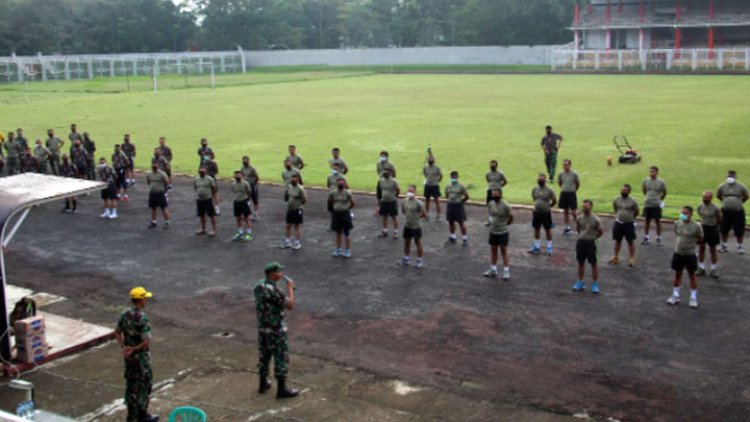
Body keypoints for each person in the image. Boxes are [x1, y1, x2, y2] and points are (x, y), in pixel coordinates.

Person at [254, 262, 299, 400]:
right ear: (273, 274)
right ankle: (282, 389)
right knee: (280, 357)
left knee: (264, 355)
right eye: (279, 272)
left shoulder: (259, 286)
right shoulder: (274, 291)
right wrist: (290, 288)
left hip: (263, 327)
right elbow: (290, 305)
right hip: (276, 329)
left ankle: (263, 384)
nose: (282, 274)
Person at [115, 286, 159, 422]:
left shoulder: (124, 315)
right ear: (140, 300)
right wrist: (134, 348)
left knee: (131, 386)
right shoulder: (142, 318)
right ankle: (142, 415)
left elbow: (117, 332)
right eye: (145, 298)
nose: (146, 300)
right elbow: (146, 342)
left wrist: (125, 347)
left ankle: (132, 416)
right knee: (145, 386)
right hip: (141, 359)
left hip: (129, 359)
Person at [667, 206, 704, 309]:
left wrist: (691, 245)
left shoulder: (696, 226)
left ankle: (693, 298)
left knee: (692, 275)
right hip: (678, 253)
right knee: (677, 274)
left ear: (691, 214)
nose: (683, 215)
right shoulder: (677, 224)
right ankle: (675, 295)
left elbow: (700, 239)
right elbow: (677, 234)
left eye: (685, 213)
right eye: (682, 213)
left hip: (690, 254)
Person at [572, 200, 604, 293]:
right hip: (581, 242)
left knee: (593, 264)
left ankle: (595, 284)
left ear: (591, 207)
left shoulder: (596, 219)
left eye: (586, 206)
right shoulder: (579, 218)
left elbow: (601, 232)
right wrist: (583, 236)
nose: (584, 208)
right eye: (583, 206)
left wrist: (593, 238)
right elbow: (578, 228)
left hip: (591, 243)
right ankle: (580, 282)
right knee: (580, 263)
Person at [717, 170, 748, 254]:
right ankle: (724, 245)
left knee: (739, 229)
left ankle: (740, 246)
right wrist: (726, 202)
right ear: (726, 177)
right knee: (724, 229)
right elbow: (718, 195)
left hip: (738, 212)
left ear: (735, 177)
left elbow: (746, 196)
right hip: (726, 212)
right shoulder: (722, 186)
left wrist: (738, 203)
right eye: (729, 176)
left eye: (732, 176)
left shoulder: (741, 186)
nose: (730, 178)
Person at [484, 189, 513, 279]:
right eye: (493, 194)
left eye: (496, 194)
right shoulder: (491, 204)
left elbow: (511, 217)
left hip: (503, 232)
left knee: (503, 251)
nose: (494, 196)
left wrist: (505, 224)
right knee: (493, 250)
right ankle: (493, 270)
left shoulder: (505, 205)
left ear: (500, 194)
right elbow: (491, 215)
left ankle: (506, 272)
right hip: (493, 231)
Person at [610, 184, 640, 267]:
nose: (623, 191)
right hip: (618, 223)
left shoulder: (633, 201)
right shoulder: (616, 199)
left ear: (629, 191)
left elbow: (637, 211)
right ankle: (616, 256)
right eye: (622, 190)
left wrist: (632, 218)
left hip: (629, 223)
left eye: (625, 190)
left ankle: (632, 258)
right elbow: (615, 208)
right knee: (617, 240)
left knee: (630, 241)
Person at [399, 185, 427, 268]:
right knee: (406, 242)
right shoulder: (404, 201)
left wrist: (417, 217)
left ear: (415, 192)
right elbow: (403, 211)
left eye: (411, 191)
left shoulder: (419, 203)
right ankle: (406, 259)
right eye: (408, 191)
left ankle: (419, 260)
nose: (409, 193)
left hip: (416, 226)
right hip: (407, 225)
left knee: (417, 242)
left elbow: (424, 214)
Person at [529, 173, 557, 255]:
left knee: (547, 229)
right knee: (536, 229)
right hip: (536, 212)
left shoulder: (549, 190)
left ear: (545, 180)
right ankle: (536, 246)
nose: (540, 180)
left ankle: (549, 247)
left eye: (542, 179)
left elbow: (554, 200)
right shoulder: (535, 189)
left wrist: (548, 207)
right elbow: (534, 199)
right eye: (539, 179)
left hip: (546, 213)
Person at [697, 191, 722, 278]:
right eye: (704, 199)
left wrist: (714, 225)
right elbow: (700, 214)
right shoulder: (700, 206)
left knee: (712, 250)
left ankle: (713, 269)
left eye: (707, 199)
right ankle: (701, 268)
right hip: (703, 228)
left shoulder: (715, 208)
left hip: (712, 228)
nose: (705, 201)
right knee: (701, 248)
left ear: (711, 199)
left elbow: (719, 218)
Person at [329, 179, 355, 258]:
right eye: (339, 182)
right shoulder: (333, 192)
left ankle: (347, 250)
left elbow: (353, 203)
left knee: (346, 232)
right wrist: (335, 208)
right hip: (336, 214)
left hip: (345, 214)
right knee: (338, 232)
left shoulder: (347, 193)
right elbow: (331, 201)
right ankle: (338, 249)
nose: (340, 184)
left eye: (342, 182)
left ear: (344, 184)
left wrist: (346, 208)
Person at [641, 166, 667, 245]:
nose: (651, 173)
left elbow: (664, 192)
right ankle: (646, 237)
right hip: (648, 204)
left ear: (657, 172)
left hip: (656, 204)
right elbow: (644, 191)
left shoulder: (661, 182)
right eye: (650, 171)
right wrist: (648, 198)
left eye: (653, 171)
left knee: (657, 221)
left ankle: (658, 238)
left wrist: (659, 200)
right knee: (647, 221)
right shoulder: (645, 181)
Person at [281, 174, 306, 250]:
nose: (292, 180)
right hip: (290, 209)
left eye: (294, 179)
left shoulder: (300, 189)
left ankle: (297, 243)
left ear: (297, 180)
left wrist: (298, 206)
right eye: (292, 179)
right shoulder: (289, 187)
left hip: (297, 210)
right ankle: (287, 242)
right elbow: (286, 198)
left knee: (296, 226)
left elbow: (304, 200)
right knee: (288, 225)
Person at [445, 170, 470, 246]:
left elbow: (467, 196)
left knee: (461, 222)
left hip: (458, 205)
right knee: (451, 221)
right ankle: (453, 237)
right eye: (452, 177)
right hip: (450, 205)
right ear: (450, 177)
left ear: (457, 177)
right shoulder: (448, 186)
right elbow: (446, 195)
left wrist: (461, 201)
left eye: (454, 177)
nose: (453, 178)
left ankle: (465, 239)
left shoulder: (461, 186)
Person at [557, 159, 580, 235]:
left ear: (570, 165)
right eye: (564, 165)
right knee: (565, 211)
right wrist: (564, 188)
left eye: (566, 165)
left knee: (574, 212)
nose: (565, 166)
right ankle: (567, 227)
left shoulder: (574, 174)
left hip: (571, 194)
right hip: (564, 193)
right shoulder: (561, 174)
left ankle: (579, 227)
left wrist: (573, 189)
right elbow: (560, 182)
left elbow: (577, 183)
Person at [146, 161, 171, 229]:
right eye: (153, 165)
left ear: (158, 166)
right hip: (152, 193)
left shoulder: (162, 174)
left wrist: (164, 191)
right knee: (153, 208)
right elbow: (148, 182)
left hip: (160, 193)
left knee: (163, 208)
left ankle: (167, 222)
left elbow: (167, 182)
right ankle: (154, 222)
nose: (154, 166)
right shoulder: (149, 174)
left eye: (155, 165)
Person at [194, 167, 217, 236]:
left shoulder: (210, 179)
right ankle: (203, 229)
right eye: (200, 171)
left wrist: (213, 197)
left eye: (203, 171)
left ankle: (214, 229)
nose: (202, 172)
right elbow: (195, 187)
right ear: (198, 171)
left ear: (206, 171)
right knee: (201, 215)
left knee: (211, 215)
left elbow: (214, 188)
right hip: (199, 199)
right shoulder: (196, 179)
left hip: (208, 199)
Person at [231, 170, 253, 242]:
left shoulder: (246, 184)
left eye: (239, 175)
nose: (237, 176)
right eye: (236, 175)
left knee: (247, 218)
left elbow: (249, 192)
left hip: (244, 201)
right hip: (236, 202)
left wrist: (248, 201)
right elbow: (234, 192)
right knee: (238, 218)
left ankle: (249, 234)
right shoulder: (233, 184)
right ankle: (240, 233)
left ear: (242, 176)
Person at [377, 171, 400, 238]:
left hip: (392, 201)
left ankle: (395, 232)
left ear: (390, 173)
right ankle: (384, 231)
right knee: (384, 216)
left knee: (394, 217)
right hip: (384, 201)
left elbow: (398, 190)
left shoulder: (394, 181)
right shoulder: (381, 181)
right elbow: (381, 190)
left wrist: (395, 196)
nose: (385, 173)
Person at [485, 160, 507, 226]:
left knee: (498, 206)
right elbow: (488, 180)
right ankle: (490, 220)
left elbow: (505, 181)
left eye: (493, 166)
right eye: (491, 165)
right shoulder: (488, 173)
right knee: (489, 205)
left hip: (497, 191)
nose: (492, 167)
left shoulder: (500, 173)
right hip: (490, 191)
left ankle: (500, 220)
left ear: (496, 166)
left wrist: (499, 187)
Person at [423, 154, 443, 220]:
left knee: (437, 201)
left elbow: (441, 176)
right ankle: (426, 215)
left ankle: (439, 215)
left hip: (435, 186)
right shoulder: (425, 167)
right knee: (427, 201)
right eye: (429, 160)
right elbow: (425, 175)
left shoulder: (437, 167)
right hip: (428, 185)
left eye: (431, 161)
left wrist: (436, 182)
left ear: (434, 161)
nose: (430, 162)